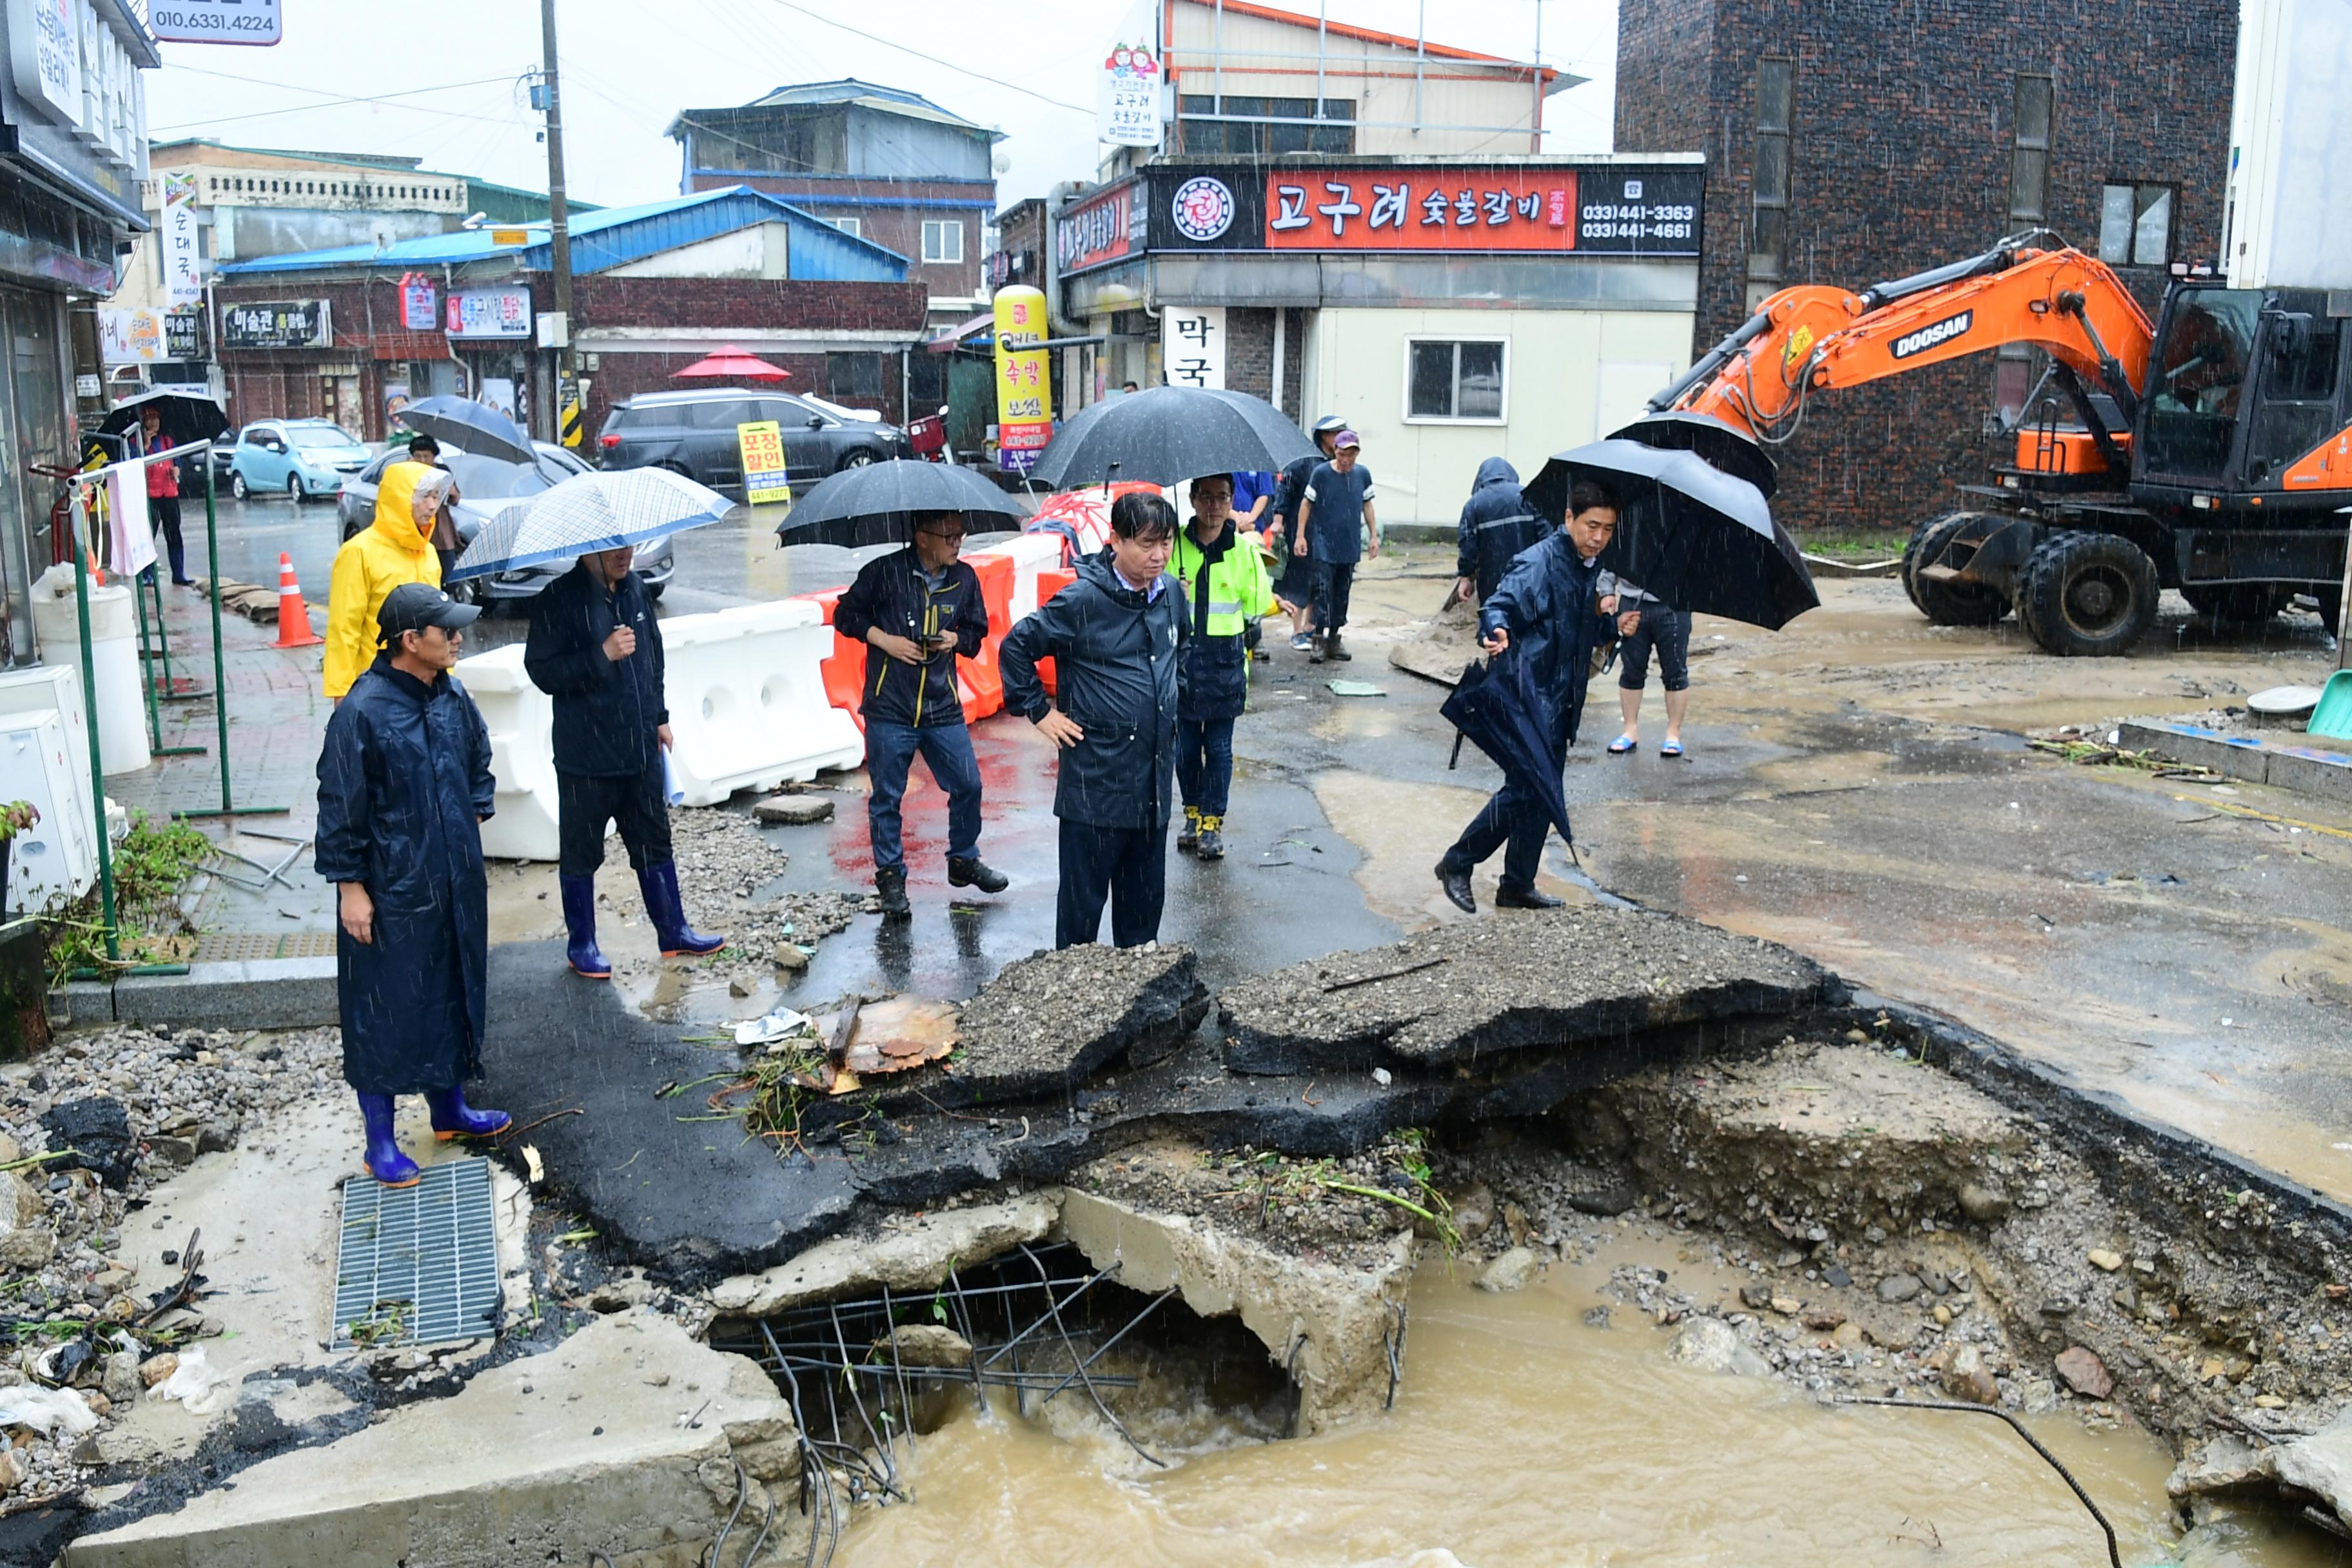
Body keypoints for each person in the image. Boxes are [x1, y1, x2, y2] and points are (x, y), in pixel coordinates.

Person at [315, 582, 509, 1188]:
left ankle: (449, 1109)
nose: (458, 639)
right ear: (409, 641)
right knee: (384, 1009)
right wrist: (351, 888)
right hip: (391, 887)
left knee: (451, 988)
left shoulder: (451, 696)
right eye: (446, 631)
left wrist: (474, 813)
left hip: (454, 879)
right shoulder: (362, 712)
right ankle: (380, 1142)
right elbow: (338, 806)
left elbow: (480, 759)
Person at [524, 543, 724, 975]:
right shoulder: (557, 599)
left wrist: (660, 717)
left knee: (654, 842)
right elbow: (542, 672)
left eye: (629, 545)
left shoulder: (634, 588)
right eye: (614, 548)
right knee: (581, 854)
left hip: (640, 752)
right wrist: (602, 655)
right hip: (586, 760)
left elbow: (653, 657)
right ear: (588, 552)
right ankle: (582, 945)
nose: (626, 555)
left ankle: (674, 932)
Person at [1000, 491, 1186, 948]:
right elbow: (1017, 647)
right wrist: (1041, 712)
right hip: (1096, 787)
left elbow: (1181, 653)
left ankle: (1139, 1007)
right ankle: (1072, 1007)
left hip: (1152, 791)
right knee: (1082, 918)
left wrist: (1174, 696)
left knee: (1142, 920)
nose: (1159, 555)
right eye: (1146, 544)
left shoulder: (1173, 594)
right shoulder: (1084, 599)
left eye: (1166, 543)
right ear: (1115, 540)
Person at [1434, 479, 1623, 916]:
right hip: (1530, 696)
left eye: (1608, 530)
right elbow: (1499, 605)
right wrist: (1494, 629)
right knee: (1527, 789)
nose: (1599, 538)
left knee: (1542, 790)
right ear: (1569, 518)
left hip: (1562, 698)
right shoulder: (1540, 562)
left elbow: (1574, 630)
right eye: (1592, 525)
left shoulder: (1586, 567)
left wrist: (1612, 627)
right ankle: (1458, 862)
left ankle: (1518, 884)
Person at [831, 509, 1008, 919]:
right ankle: (891, 877)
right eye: (949, 537)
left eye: (961, 536)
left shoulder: (965, 578)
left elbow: (977, 635)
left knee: (969, 784)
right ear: (922, 537)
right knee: (887, 798)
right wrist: (885, 641)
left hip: (942, 706)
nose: (957, 544)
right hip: (889, 707)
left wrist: (955, 639)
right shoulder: (884, 572)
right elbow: (845, 615)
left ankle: (963, 859)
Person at [1170, 473, 1274, 861]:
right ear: (1194, 499)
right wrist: (1173, 592)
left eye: (1222, 498)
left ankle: (1213, 821)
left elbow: (1257, 605)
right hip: (1183, 662)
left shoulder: (1245, 550)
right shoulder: (1175, 545)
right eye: (1207, 497)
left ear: (1232, 501)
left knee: (1218, 749)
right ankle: (1192, 813)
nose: (1214, 506)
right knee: (1184, 749)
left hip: (1225, 663)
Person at [324, 459, 449, 703]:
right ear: (400, 499)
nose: (432, 506)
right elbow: (344, 628)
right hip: (377, 686)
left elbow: (438, 621)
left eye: (436, 496)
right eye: (424, 497)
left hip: (426, 683)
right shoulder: (359, 552)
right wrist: (342, 692)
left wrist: (446, 677)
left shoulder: (428, 553)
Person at [1294, 429, 1377, 663]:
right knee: (1322, 590)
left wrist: (1373, 536)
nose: (1346, 460)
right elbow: (1306, 504)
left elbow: (1367, 505)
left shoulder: (1362, 474)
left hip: (1349, 543)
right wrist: (1301, 536)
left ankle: (1335, 638)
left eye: (1351, 455)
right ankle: (1318, 638)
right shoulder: (1321, 474)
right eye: (1342, 454)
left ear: (1357, 454)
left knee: (1342, 592)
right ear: (1335, 452)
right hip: (1323, 543)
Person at [1269, 416, 1344, 650]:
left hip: (1327, 533)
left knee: (1320, 581)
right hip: (1301, 529)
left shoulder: (1338, 463)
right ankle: (1297, 631)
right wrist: (1279, 519)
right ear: (1324, 436)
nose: (1339, 438)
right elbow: (1286, 488)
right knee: (1299, 579)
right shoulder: (1305, 461)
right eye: (1335, 433)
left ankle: (1312, 628)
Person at [1600, 573, 1692, 758]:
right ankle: (1630, 730)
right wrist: (1606, 592)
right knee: (1632, 669)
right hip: (1632, 602)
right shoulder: (1631, 541)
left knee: (1675, 671)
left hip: (1676, 603)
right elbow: (1612, 559)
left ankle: (1673, 733)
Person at [1454, 457, 1542, 607]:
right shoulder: (1529, 497)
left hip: (1491, 580)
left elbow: (1467, 544)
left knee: (1493, 619)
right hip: (1528, 575)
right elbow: (1546, 536)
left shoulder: (1474, 505)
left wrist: (1466, 576)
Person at [137, 406, 193, 587]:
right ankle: (147, 575)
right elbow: (134, 464)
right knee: (148, 536)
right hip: (150, 496)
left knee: (174, 535)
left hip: (169, 494)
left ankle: (179, 573)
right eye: (148, 418)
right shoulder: (135, 441)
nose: (153, 421)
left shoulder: (167, 441)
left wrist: (177, 469)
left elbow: (178, 460)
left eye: (156, 417)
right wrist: (145, 446)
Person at [406, 433, 464, 585]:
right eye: (418, 456)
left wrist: (453, 492)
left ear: (434, 456)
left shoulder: (443, 471)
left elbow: (456, 500)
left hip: (440, 528)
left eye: (426, 456)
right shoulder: (407, 472)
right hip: (416, 526)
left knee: (449, 577)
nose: (423, 460)